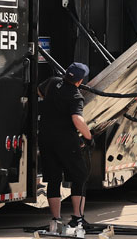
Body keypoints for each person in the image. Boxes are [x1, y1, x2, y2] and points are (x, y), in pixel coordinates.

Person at [38, 62, 93, 229]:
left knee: (53, 179)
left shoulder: (52, 82)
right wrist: (89, 137)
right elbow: (77, 119)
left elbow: (39, 91)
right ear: (80, 80)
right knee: (80, 177)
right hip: (67, 142)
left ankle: (56, 219)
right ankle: (77, 217)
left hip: (46, 139)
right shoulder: (75, 95)